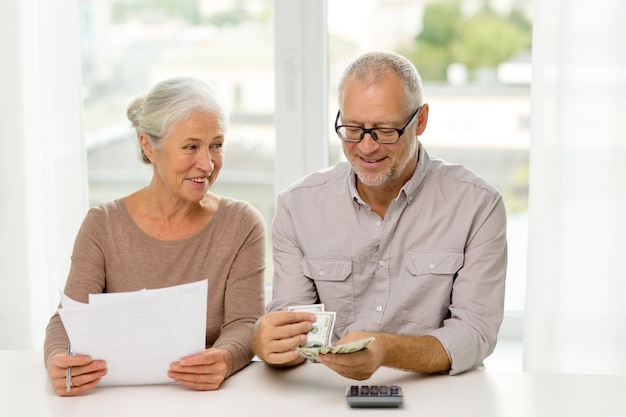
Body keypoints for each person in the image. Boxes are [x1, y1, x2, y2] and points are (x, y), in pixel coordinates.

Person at [252, 51, 507, 380]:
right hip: (327, 393)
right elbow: (295, 335)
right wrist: (267, 341)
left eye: (385, 131)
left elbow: (475, 333)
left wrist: (387, 350)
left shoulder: (478, 205)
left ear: (421, 121)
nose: (367, 147)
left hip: (438, 394)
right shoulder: (296, 207)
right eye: (353, 128)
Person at [44, 77, 266, 396]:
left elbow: (245, 323)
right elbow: (68, 321)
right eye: (191, 146)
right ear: (149, 145)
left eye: (216, 145)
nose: (207, 164)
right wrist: (58, 360)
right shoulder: (102, 225)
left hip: (206, 397)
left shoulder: (242, 224)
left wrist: (225, 358)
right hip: (115, 398)